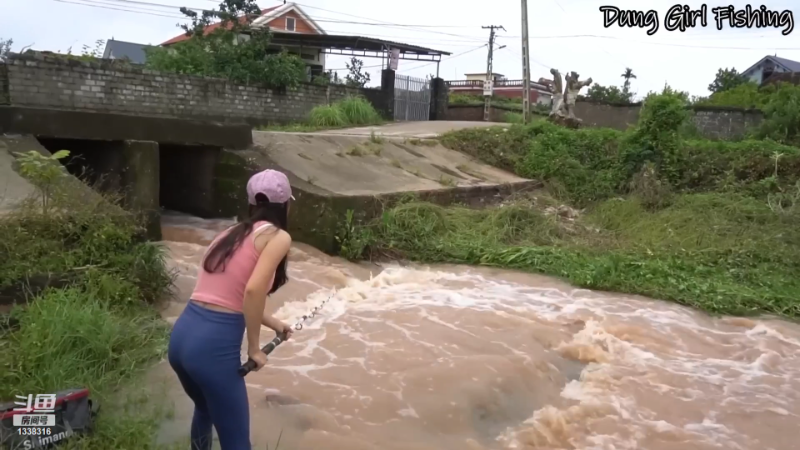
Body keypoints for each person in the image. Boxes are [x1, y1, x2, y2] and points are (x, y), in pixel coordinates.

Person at [168, 169, 295, 450]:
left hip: (181, 339)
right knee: (237, 443)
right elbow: (252, 291)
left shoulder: (229, 234)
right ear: (286, 204)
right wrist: (254, 349)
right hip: (212, 349)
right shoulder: (279, 237)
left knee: (204, 410)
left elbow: (227, 296)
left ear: (252, 203)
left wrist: (274, 323)